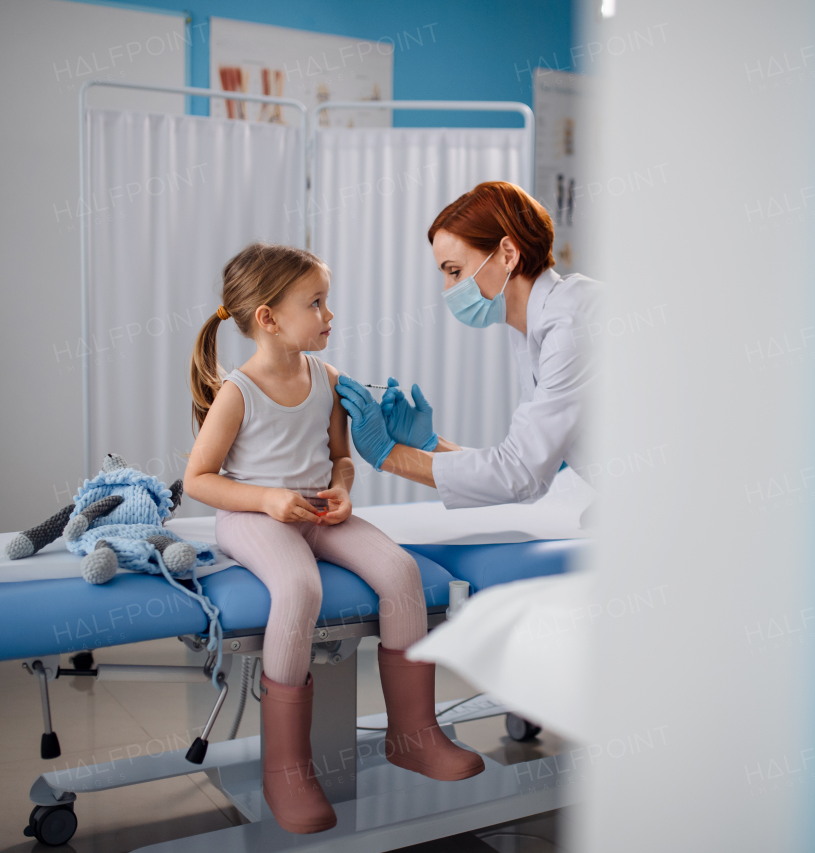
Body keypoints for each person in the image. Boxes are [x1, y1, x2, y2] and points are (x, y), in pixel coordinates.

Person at [182, 244, 483, 835]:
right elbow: (200, 479)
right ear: (268, 318)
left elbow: (342, 459)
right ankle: (287, 769)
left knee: (399, 573)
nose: (330, 315)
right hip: (255, 516)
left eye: (327, 301)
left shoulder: (330, 380)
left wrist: (343, 489)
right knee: (298, 589)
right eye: (316, 303)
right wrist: (269, 499)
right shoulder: (238, 392)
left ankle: (413, 734)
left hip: (319, 510)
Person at [336, 181, 600, 508]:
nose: (447, 288)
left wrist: (389, 455)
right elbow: (527, 463)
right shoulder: (529, 329)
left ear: (508, 254)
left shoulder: (569, 324)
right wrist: (431, 445)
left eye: (455, 272)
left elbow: (521, 474)